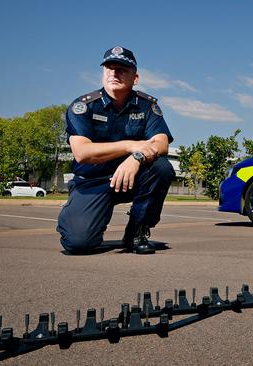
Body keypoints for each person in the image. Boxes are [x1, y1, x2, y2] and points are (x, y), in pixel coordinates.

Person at [57, 46, 175, 255]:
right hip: (92, 181)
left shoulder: (146, 106)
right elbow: (82, 153)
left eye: (121, 69)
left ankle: (137, 231)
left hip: (131, 178)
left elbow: (161, 144)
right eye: (109, 68)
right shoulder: (84, 107)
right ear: (103, 73)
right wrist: (131, 145)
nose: (114, 73)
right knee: (78, 244)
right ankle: (79, 215)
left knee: (162, 167)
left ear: (135, 77)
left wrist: (136, 157)